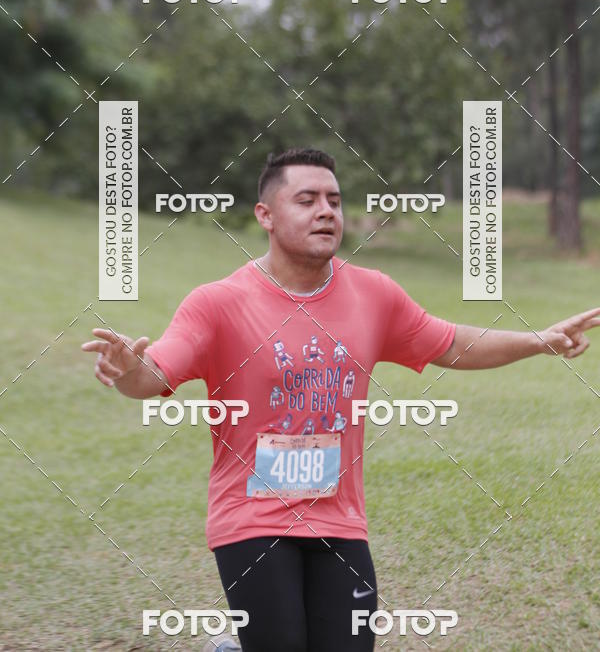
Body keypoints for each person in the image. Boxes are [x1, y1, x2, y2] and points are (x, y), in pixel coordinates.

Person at [82, 148, 600, 652]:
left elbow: (453, 344)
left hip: (337, 515)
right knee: (282, 642)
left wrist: (540, 341)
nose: (326, 211)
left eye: (334, 199)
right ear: (265, 214)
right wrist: (129, 370)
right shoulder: (218, 303)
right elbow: (156, 372)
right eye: (306, 200)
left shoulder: (375, 295)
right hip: (250, 513)